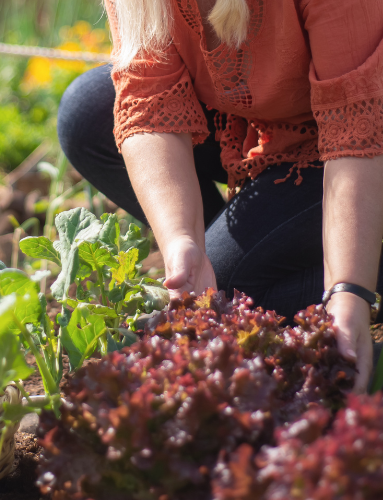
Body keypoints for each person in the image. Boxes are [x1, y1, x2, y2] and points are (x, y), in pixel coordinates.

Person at [57, 0, 383, 392]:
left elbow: (358, 127)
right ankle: (262, 254)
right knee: (89, 114)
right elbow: (150, 101)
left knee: (235, 287)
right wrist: (183, 240)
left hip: (366, 133)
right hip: (271, 120)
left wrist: (349, 290)